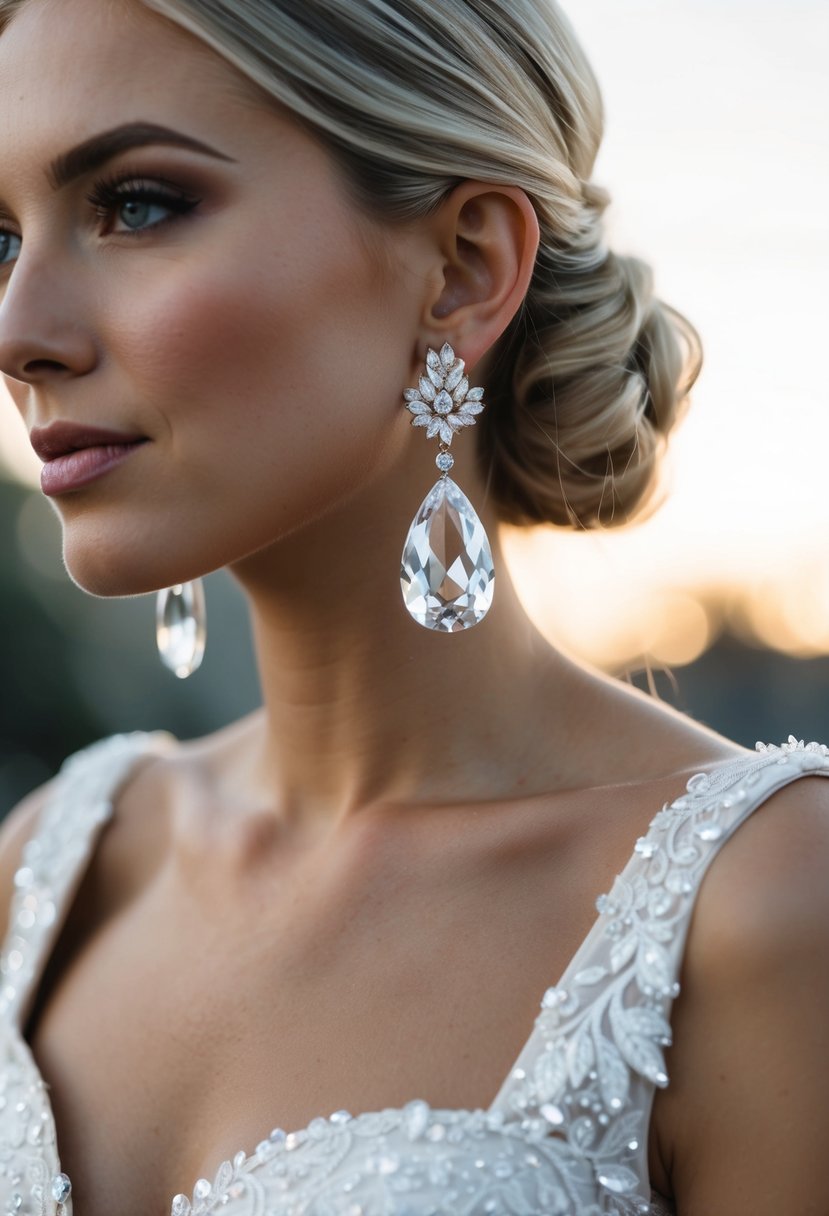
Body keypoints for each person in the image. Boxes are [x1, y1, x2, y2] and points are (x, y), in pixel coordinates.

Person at [0, 0, 827, 1213]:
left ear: (464, 267)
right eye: (0, 238)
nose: (20, 333)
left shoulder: (766, 915)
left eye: (135, 205)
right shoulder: (45, 879)